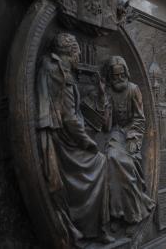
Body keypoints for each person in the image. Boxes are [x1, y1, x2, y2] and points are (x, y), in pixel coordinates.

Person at [37, 33, 112, 243]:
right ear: (70, 53)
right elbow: (69, 118)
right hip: (65, 143)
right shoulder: (61, 73)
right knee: (101, 162)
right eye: (77, 50)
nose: (79, 54)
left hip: (63, 137)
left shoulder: (51, 66)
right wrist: (88, 143)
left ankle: (95, 226)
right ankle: (96, 227)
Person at [104, 56, 155, 228]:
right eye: (115, 76)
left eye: (121, 75)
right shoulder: (108, 91)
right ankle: (118, 213)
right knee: (112, 158)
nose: (118, 79)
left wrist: (133, 137)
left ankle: (133, 212)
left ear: (126, 73)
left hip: (131, 133)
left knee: (127, 163)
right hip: (116, 133)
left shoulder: (134, 90)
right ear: (110, 76)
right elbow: (107, 124)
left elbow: (139, 119)